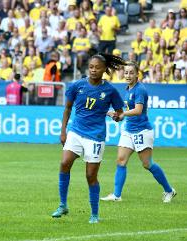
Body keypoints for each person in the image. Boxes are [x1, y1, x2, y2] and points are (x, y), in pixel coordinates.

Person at [51, 54, 125, 224]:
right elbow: (68, 109)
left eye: (97, 67)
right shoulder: (77, 85)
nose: (93, 70)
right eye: (91, 67)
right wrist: (63, 131)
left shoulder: (110, 90)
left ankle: (94, 214)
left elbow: (120, 113)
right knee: (64, 163)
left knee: (90, 175)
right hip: (76, 131)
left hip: (95, 136)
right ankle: (62, 205)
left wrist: (117, 117)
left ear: (104, 69)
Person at [101, 62, 177, 203]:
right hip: (128, 130)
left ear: (137, 74)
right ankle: (117, 195)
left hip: (142, 131)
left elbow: (138, 110)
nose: (128, 75)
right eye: (126, 72)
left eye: (131, 72)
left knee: (147, 164)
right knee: (121, 160)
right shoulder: (128, 89)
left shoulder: (139, 89)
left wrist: (122, 114)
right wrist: (117, 114)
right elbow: (128, 109)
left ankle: (169, 190)